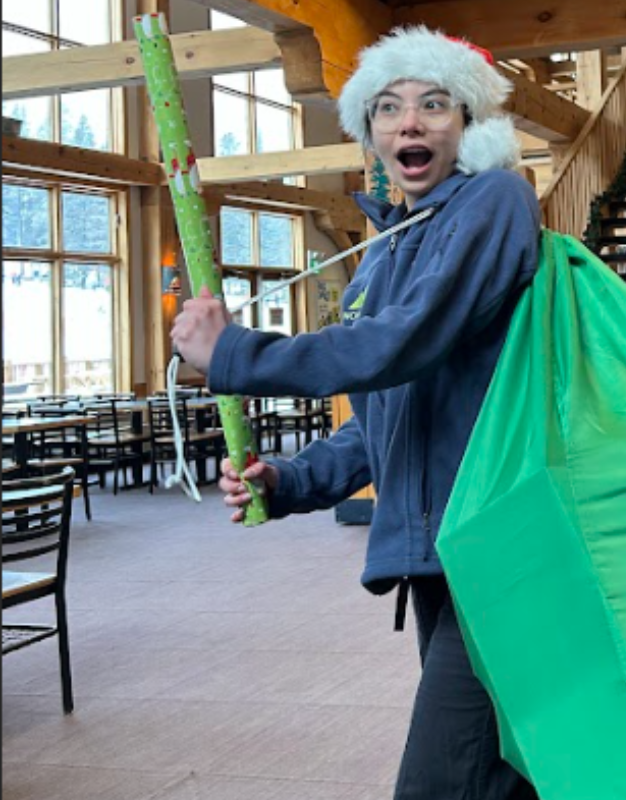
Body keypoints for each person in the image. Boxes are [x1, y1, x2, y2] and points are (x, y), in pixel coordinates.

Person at [171, 26, 540, 800]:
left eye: (434, 104)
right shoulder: (385, 250)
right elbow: (385, 415)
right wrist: (291, 477)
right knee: (502, 774)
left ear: (469, 125)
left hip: (499, 551)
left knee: (444, 782)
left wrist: (238, 354)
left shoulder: (496, 201)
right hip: (438, 558)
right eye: (389, 107)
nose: (410, 122)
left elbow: (396, 345)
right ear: (370, 134)